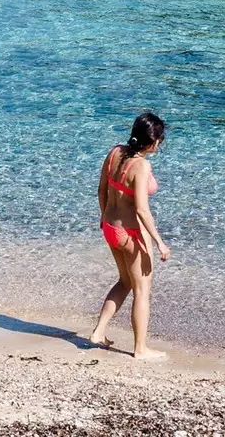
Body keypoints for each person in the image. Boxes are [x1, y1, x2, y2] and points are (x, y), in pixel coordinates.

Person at [89, 110, 169, 360]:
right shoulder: (141, 166)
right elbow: (142, 210)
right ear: (153, 141)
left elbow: (101, 189)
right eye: (161, 139)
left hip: (111, 228)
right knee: (142, 290)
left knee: (125, 282)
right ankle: (140, 349)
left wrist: (104, 218)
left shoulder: (115, 153)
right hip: (132, 233)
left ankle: (98, 333)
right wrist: (159, 242)